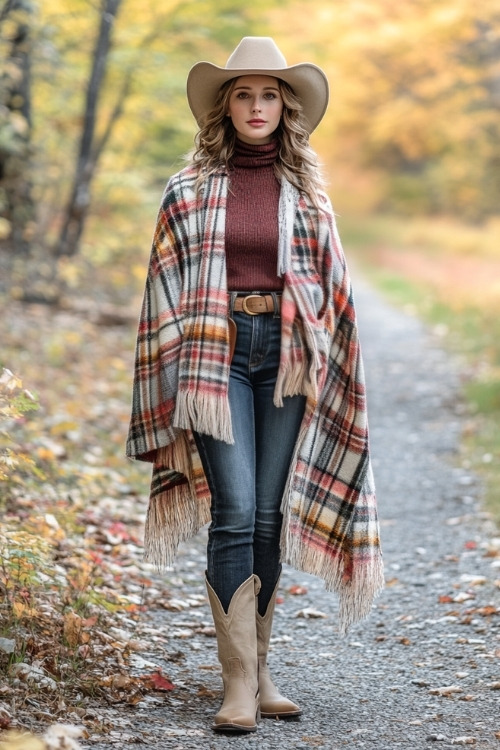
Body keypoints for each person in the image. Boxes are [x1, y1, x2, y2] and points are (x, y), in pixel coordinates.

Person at [126, 36, 383, 734]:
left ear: (286, 107)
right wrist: (177, 365)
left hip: (287, 357)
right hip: (215, 355)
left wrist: (332, 360)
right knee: (234, 508)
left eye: (269, 94)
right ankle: (236, 682)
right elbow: (162, 290)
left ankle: (263, 668)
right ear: (225, 107)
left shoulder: (307, 192)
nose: (258, 106)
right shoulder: (187, 190)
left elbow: (334, 292)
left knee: (269, 514)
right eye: (244, 94)